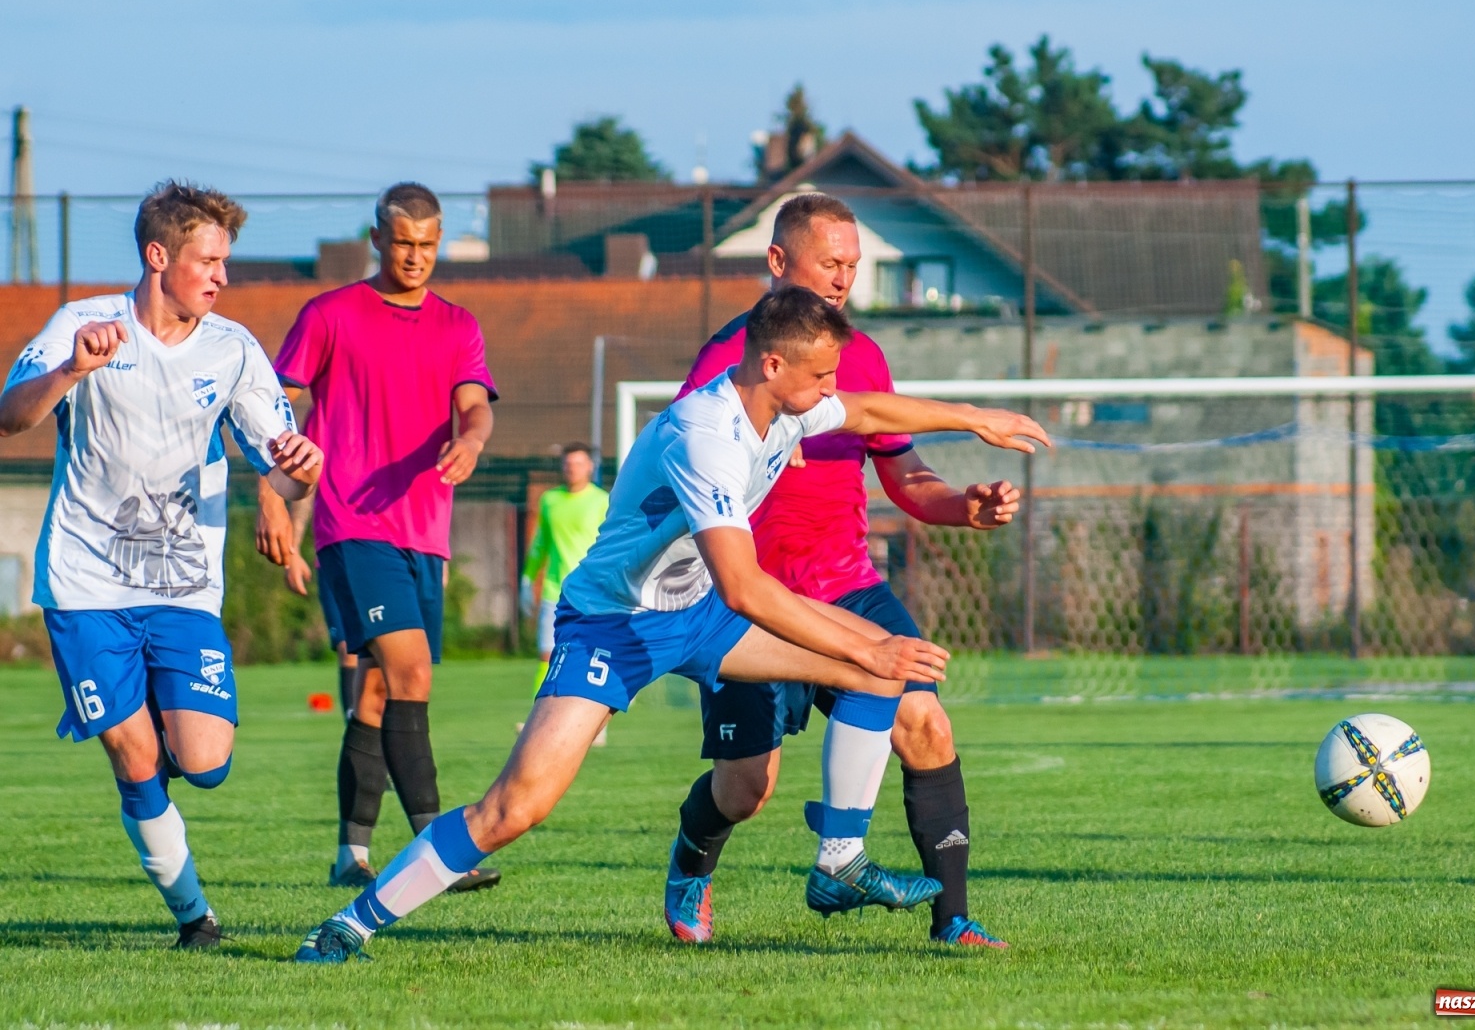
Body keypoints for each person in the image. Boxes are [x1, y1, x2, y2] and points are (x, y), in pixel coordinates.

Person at [291, 285, 1048, 962]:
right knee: (516, 807)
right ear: (774, 367)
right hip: (613, 626)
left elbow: (875, 411)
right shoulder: (704, 434)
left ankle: (840, 858)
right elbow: (747, 587)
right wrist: (867, 639)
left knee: (884, 671)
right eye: (821, 375)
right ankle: (353, 923)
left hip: (697, 614)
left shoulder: (789, 405)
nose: (831, 392)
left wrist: (975, 418)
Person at [665, 193, 1013, 948]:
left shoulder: (864, 356)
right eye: (831, 262)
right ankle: (693, 860)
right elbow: (683, 469)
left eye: (854, 266)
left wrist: (964, 505)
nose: (844, 278)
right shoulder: (728, 363)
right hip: (751, 601)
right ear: (779, 262)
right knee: (746, 786)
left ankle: (951, 919)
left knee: (924, 720)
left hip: (846, 582)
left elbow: (905, 474)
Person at [0, 181, 322, 948]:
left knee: (204, 761)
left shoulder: (233, 348)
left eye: (225, 263)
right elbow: (9, 416)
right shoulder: (84, 326)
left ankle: (150, 736)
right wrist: (71, 372)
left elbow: (278, 461)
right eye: (208, 261)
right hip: (85, 584)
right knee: (133, 755)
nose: (221, 277)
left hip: (183, 587)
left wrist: (296, 470)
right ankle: (194, 918)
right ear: (157, 257)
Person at [255, 182, 500, 893]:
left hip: (425, 534)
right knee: (410, 673)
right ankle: (439, 850)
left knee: (376, 694)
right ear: (377, 239)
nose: (416, 256)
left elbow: (474, 406)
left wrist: (474, 442)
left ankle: (350, 853)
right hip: (352, 522)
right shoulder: (330, 315)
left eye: (428, 244)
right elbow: (278, 405)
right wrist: (274, 493)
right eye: (403, 242)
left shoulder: (459, 326)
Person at [518, 441, 609, 741]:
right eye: (568, 464)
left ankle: (595, 727)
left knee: (592, 656)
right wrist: (528, 578)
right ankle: (537, 723)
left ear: (590, 467)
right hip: (555, 591)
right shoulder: (550, 500)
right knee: (547, 654)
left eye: (578, 463)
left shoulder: (602, 501)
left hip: (591, 592)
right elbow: (540, 543)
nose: (572, 469)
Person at [283, 489, 374, 721]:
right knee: (348, 647)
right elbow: (305, 488)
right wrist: (292, 549)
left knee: (383, 650)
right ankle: (356, 735)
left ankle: (384, 735)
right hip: (334, 553)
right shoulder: (323, 451)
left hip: (381, 551)